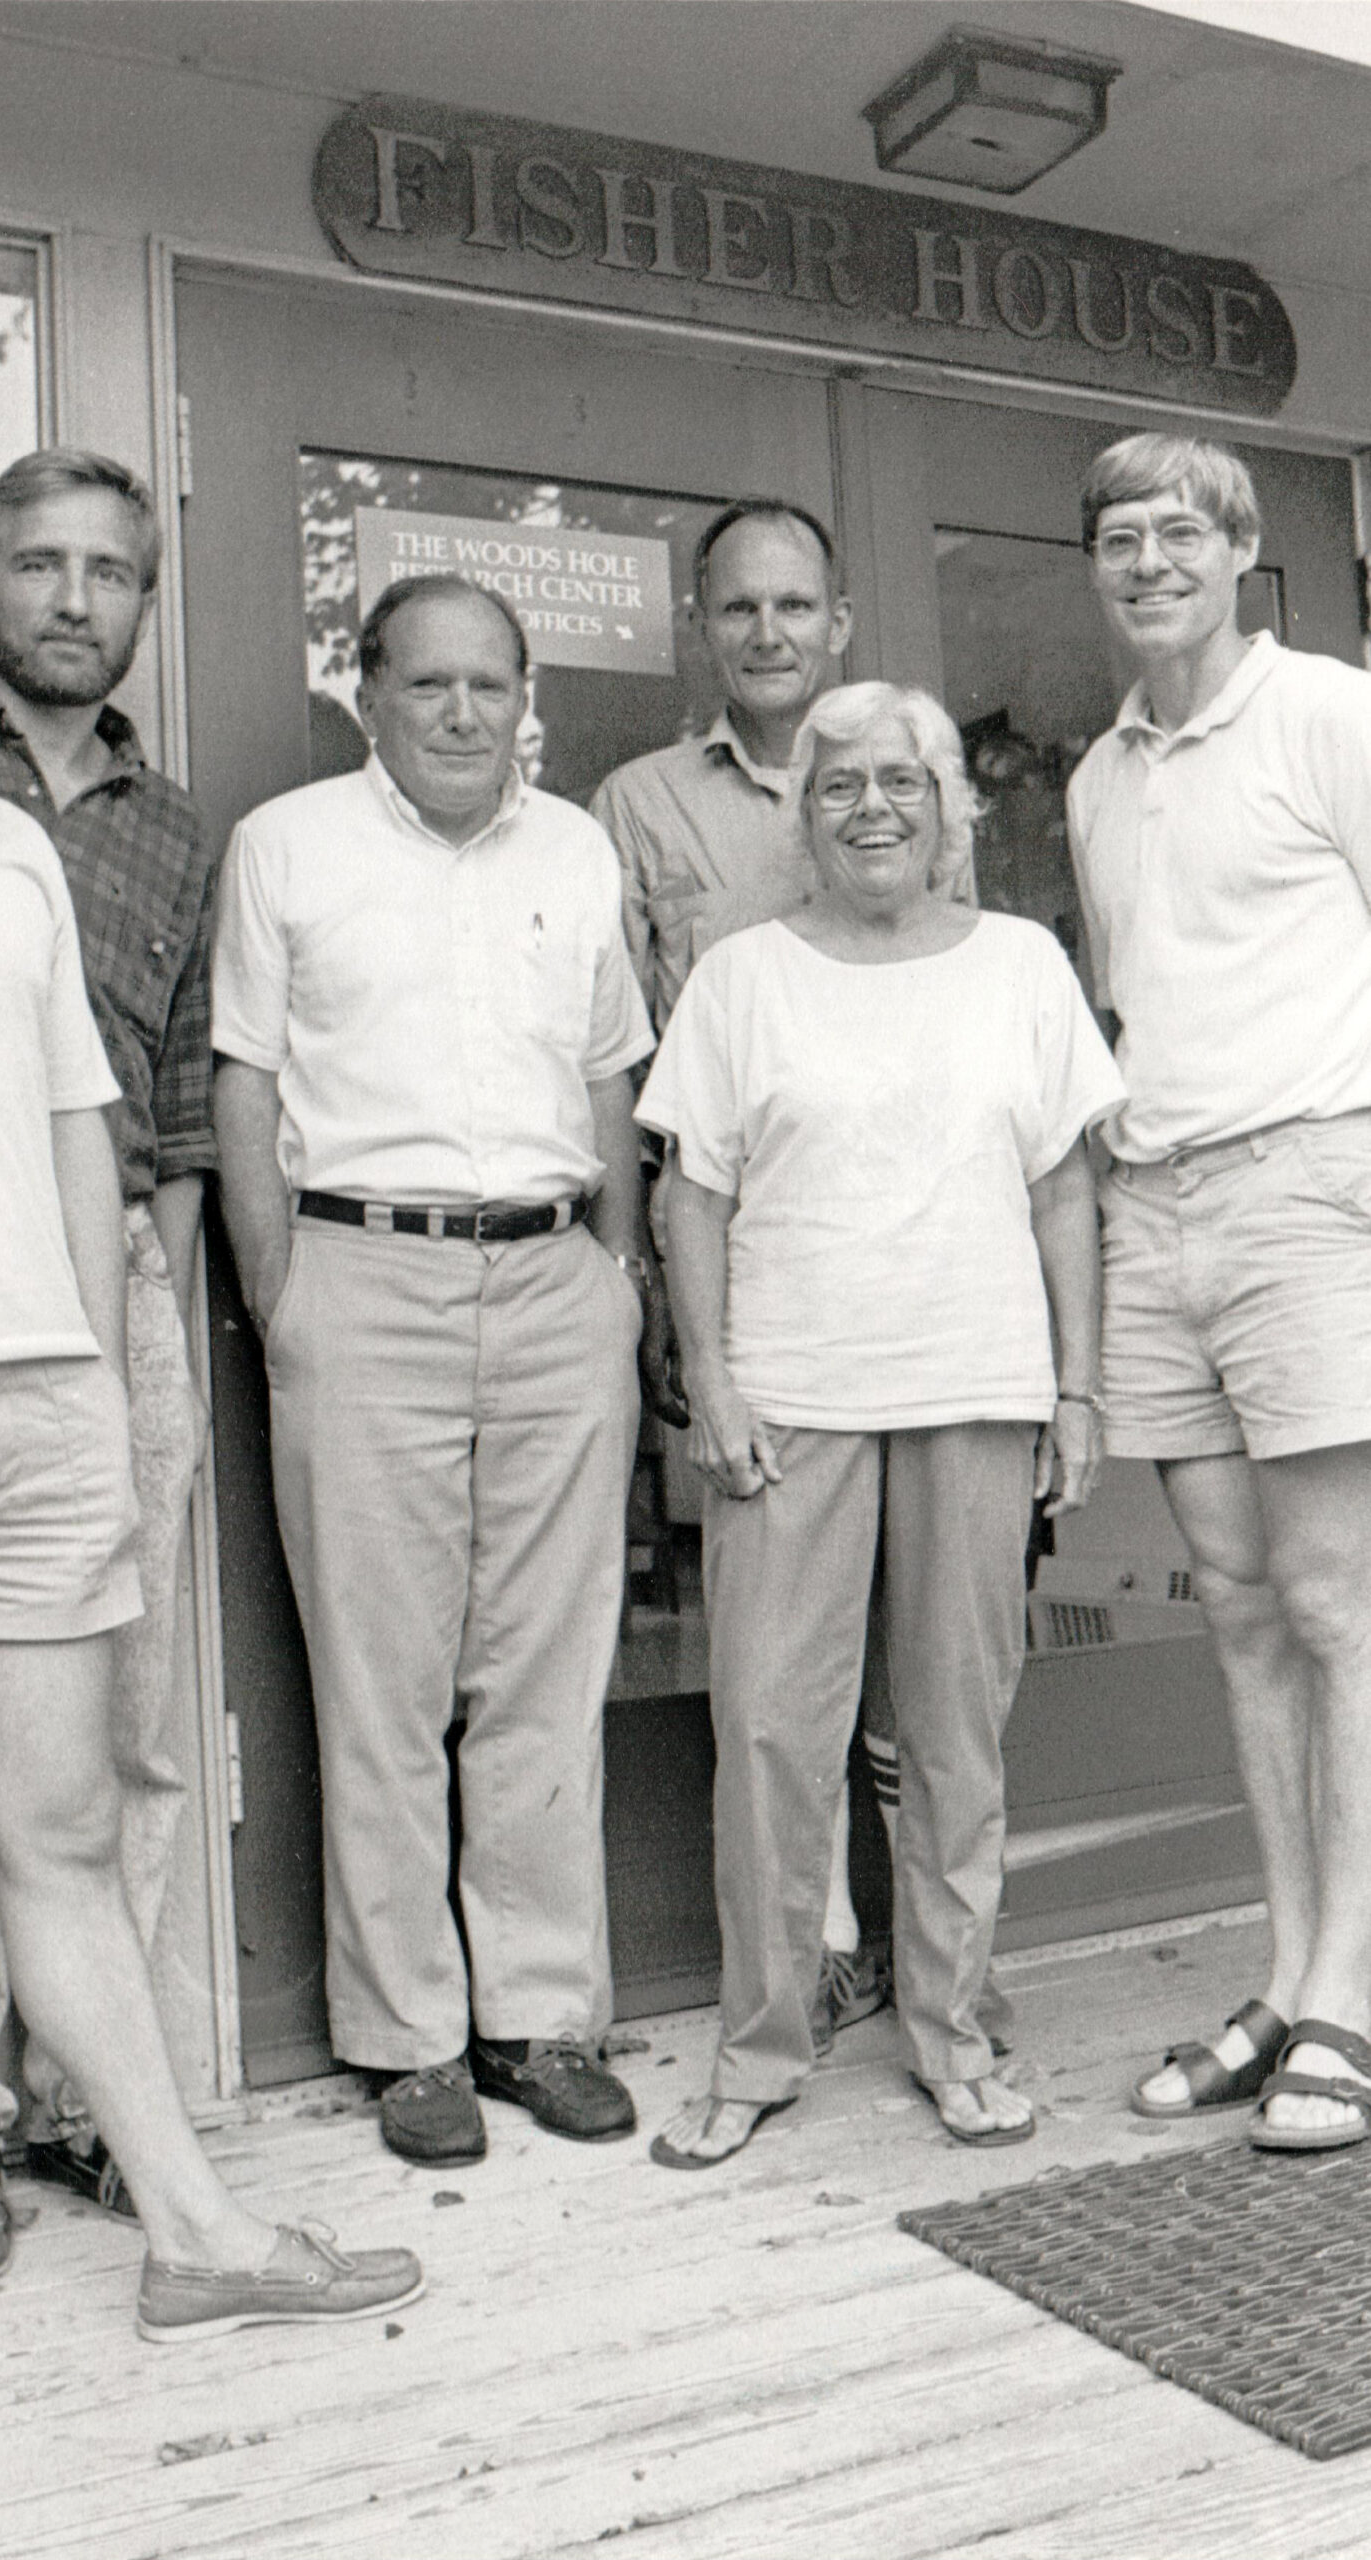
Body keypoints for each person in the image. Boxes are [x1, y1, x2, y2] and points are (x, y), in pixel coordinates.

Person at [0, 453, 420, 2408]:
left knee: (56, 1818)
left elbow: (74, 1120)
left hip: (29, 1395)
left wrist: (74, 1380)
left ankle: (196, 2227)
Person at [636, 681, 1121, 2163]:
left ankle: (953, 2031)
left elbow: (1063, 1191)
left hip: (974, 1387)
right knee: (775, 1734)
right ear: (803, 815)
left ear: (950, 808)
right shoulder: (741, 977)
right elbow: (690, 1192)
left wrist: (1078, 1388)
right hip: (792, 1401)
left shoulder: (1023, 966)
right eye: (839, 786)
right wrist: (711, 1380)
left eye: (901, 783)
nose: (871, 808)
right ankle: (758, 2048)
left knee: (957, 1740)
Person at [213, 574, 653, 2167]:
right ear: (368, 693)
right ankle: (409, 2039)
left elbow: (611, 1073)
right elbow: (246, 1081)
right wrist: (287, 1295)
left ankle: (539, 2017)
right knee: (383, 1679)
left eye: (491, 686)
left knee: (542, 1667)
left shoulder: (577, 853)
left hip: (554, 1278)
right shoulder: (290, 846)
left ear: (524, 694)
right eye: (430, 686)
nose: (464, 714)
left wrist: (616, 1275)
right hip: (361, 1272)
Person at [0, 449, 218, 2279]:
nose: (75, 598)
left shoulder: (175, 828)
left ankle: (95, 2098)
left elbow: (174, 1100)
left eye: (111, 573)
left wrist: (147, 1327)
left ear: (144, 603)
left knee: (130, 1724)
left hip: (120, 1296)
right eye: (39, 566)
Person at [1068, 434, 1371, 2150]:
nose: (1150, 559)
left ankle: (1356, 1999)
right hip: (1161, 1205)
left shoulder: (1328, 711)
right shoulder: (1105, 775)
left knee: (1344, 1611)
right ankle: (1291, 1970)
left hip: (1317, 1187)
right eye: (1120, 537)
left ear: (1245, 549)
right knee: (1242, 1613)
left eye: (1184, 530)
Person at [591, 498, 890, 2047]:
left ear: (840, 618)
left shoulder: (897, 779)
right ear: (701, 629)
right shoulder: (635, 803)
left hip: (903, 1249)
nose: (769, 633)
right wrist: (654, 1288)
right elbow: (625, 1056)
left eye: (796, 606)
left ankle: (928, 1936)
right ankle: (816, 1940)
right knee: (771, 1618)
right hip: (732, 1250)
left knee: (911, 1619)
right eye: (739, 610)